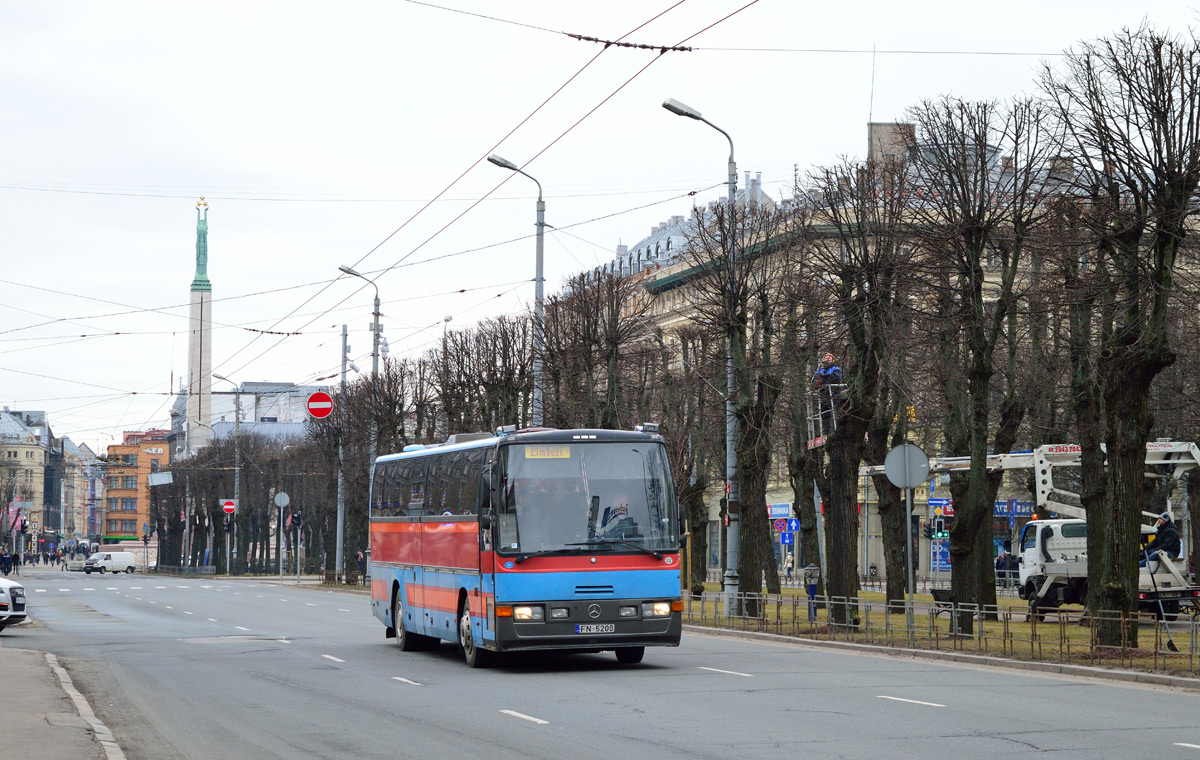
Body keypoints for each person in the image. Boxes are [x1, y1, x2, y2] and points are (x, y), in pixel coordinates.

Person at [811, 352, 843, 436]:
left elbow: (834, 378)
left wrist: (824, 377)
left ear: (833, 360)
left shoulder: (836, 369)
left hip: (834, 394)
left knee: (834, 412)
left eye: (829, 358)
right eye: (826, 357)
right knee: (824, 414)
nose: (827, 359)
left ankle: (835, 430)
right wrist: (821, 379)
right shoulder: (819, 371)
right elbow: (815, 382)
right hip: (823, 396)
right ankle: (826, 432)